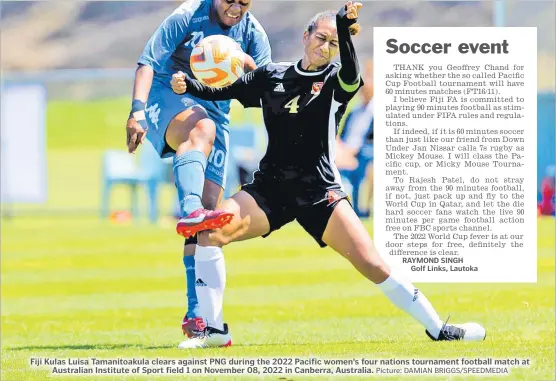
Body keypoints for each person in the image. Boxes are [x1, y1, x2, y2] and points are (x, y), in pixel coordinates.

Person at [171, 1, 486, 348]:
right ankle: (215, 332)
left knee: (372, 263)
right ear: (306, 36)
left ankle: (438, 327)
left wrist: (342, 24)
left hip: (320, 193)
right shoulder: (272, 76)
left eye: (333, 43)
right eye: (321, 38)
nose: (325, 47)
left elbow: (352, 71)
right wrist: (189, 85)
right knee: (209, 232)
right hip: (270, 189)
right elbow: (226, 90)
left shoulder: (336, 81)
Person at [125, 0, 272, 344]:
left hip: (217, 112)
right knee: (200, 132)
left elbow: (268, 86)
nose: (236, 8)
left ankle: (198, 317)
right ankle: (190, 210)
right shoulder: (187, 15)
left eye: (244, 2)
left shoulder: (253, 32)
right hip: (168, 94)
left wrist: (248, 66)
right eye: (229, 0)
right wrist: (137, 112)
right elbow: (147, 62)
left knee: (207, 228)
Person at [336, 59, 374, 217]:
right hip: (345, 151)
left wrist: (353, 152)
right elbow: (341, 133)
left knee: (366, 158)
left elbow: (372, 139)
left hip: (363, 152)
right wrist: (341, 149)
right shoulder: (354, 111)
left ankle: (360, 210)